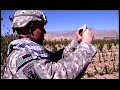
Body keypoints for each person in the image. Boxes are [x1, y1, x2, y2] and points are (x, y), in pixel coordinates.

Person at [3, 10, 96, 79]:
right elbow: (62, 74)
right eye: (41, 27)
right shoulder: (25, 59)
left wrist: (77, 42)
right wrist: (85, 45)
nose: (44, 31)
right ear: (30, 28)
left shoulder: (28, 51)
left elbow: (55, 57)